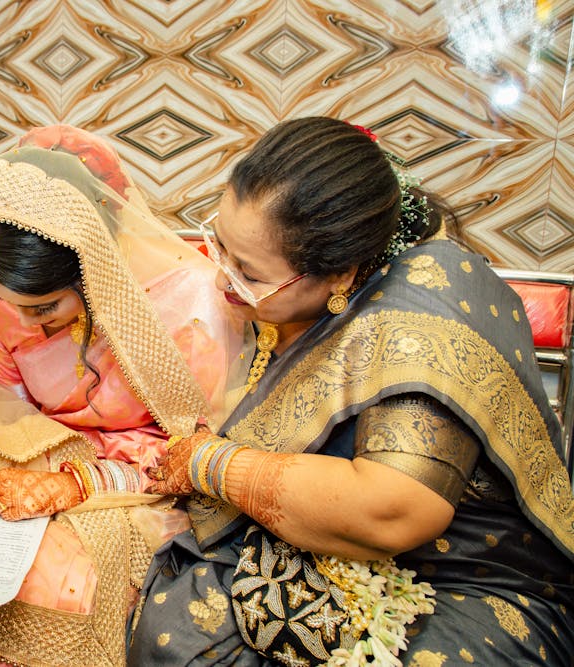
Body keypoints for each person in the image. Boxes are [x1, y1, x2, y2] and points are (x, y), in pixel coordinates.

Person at [130, 117, 574, 666]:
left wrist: (211, 465)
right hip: (325, 546)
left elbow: (394, 509)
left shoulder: (413, 326)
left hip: (468, 580)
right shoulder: (308, 293)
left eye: (247, 271)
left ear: (337, 274)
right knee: (178, 624)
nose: (223, 281)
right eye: (217, 244)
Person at [0, 125, 249, 667]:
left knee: (39, 583)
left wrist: (76, 484)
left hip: (146, 491)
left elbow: (195, 455)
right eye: (5, 301)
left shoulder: (190, 307)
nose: (23, 321)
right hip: (23, 469)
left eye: (43, 308)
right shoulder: (8, 299)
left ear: (94, 263)